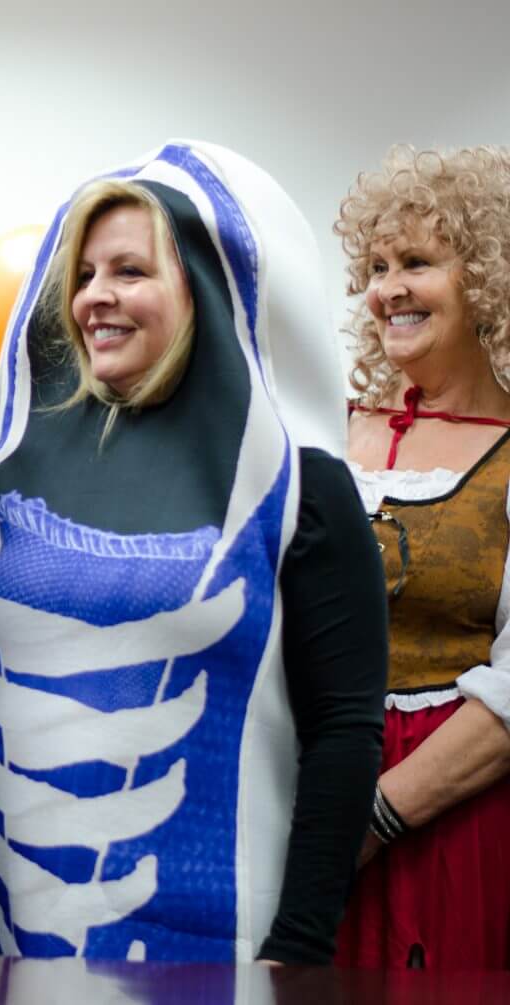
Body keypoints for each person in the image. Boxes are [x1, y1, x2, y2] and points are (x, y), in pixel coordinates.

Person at [0, 142, 388, 965]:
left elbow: (344, 732)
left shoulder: (295, 484)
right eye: (84, 273)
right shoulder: (30, 473)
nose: (93, 296)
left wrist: (299, 946)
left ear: (203, 286)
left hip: (211, 941)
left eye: (129, 271)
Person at [334, 146, 510, 971]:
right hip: (310, 800)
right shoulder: (329, 429)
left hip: (454, 820)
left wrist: (375, 815)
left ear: (488, 279)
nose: (388, 289)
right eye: (376, 267)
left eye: (417, 262)